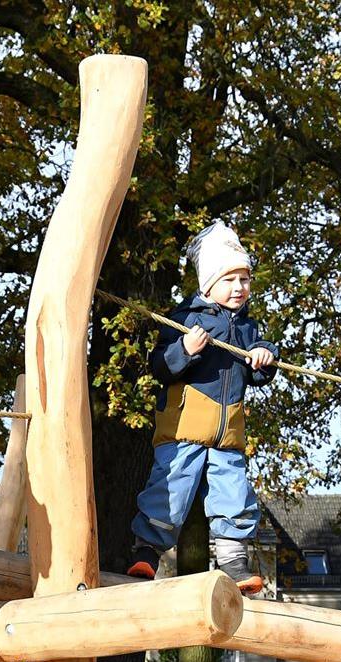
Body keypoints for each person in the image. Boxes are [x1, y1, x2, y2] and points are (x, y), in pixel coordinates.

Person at [125, 221, 278, 595]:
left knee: (234, 493)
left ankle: (234, 561)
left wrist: (264, 358)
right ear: (208, 284)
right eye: (230, 280)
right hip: (184, 426)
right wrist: (186, 350)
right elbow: (160, 366)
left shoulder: (247, 329)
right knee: (170, 488)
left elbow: (259, 374)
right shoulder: (184, 318)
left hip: (227, 431)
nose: (239, 288)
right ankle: (147, 550)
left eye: (244, 280)